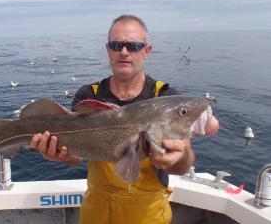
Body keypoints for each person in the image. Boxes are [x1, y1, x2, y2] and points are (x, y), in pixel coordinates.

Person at [30, 15, 219, 224]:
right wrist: (60, 155)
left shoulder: (165, 96)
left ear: (146, 51)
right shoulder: (88, 95)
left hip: (148, 215)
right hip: (96, 213)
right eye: (116, 45)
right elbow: (77, 157)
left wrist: (179, 158)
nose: (124, 52)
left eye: (134, 46)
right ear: (108, 49)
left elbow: (182, 162)